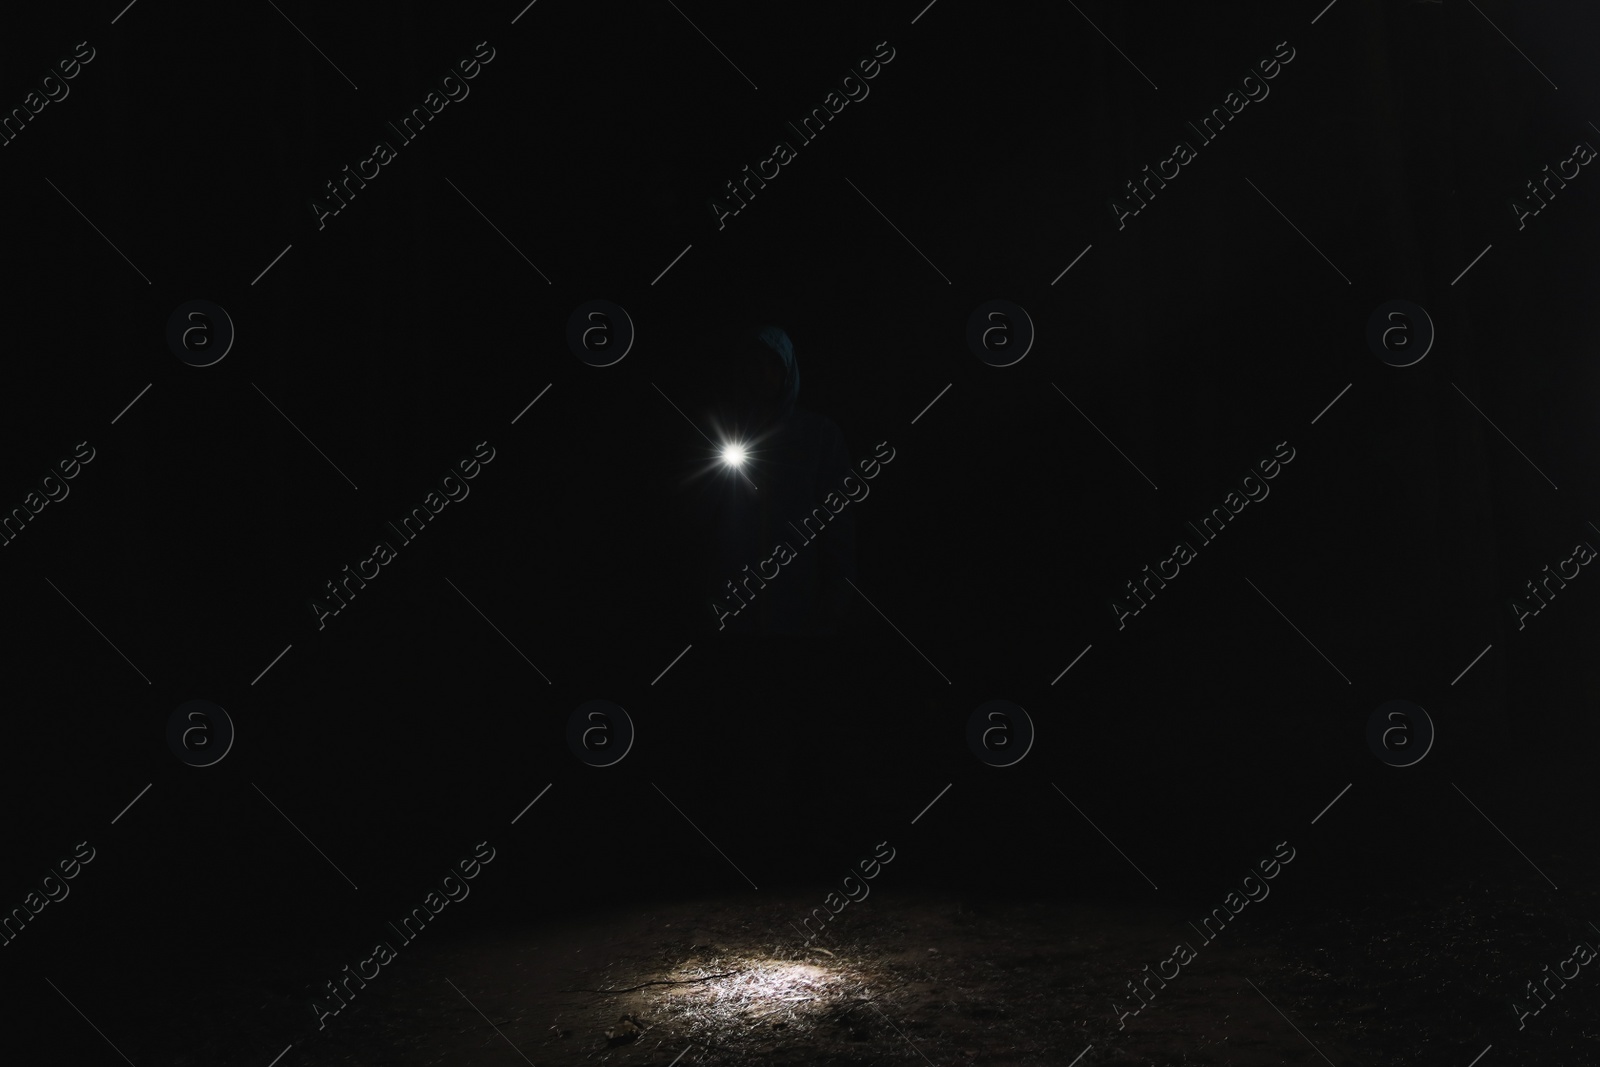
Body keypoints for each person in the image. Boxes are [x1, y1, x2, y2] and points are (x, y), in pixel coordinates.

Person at [703, 325, 856, 636]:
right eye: (753, 363)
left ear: (786, 368)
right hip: (734, 603)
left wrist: (837, 594)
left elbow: (838, 522)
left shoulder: (820, 436)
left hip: (798, 603)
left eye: (770, 363)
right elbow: (703, 515)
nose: (760, 373)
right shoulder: (723, 433)